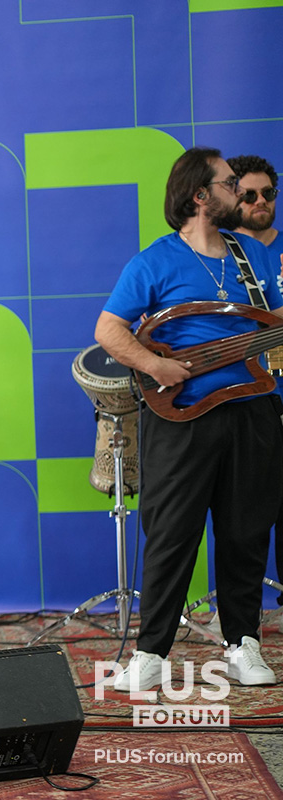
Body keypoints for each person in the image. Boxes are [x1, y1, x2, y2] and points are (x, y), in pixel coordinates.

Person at [95, 147, 283, 692]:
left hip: (252, 410)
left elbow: (272, 319)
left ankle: (242, 643)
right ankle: (151, 652)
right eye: (230, 185)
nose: (241, 193)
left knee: (247, 531)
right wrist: (155, 365)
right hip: (181, 415)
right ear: (201, 196)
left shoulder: (253, 254)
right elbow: (109, 329)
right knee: (172, 533)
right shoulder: (153, 261)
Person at [229, 154, 283, 608]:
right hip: (242, 397)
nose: (260, 201)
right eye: (249, 194)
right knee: (244, 513)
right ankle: (239, 620)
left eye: (268, 193)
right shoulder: (215, 257)